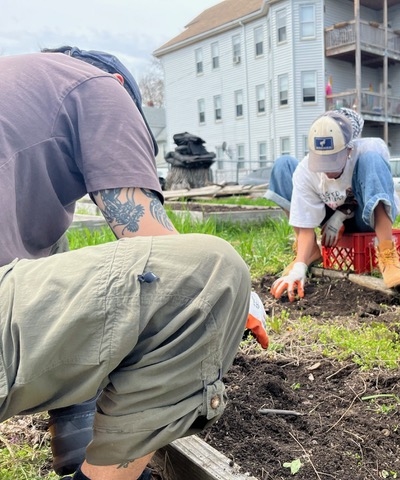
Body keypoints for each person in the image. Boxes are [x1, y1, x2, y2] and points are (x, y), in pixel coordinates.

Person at [0, 48, 267, 480]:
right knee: (211, 274)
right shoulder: (98, 88)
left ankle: (76, 442)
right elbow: (159, 251)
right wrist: (240, 302)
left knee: (65, 262)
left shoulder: (23, 82)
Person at [265, 108, 400, 302]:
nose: (327, 170)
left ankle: (387, 254)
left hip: (363, 217)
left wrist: (342, 214)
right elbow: (306, 224)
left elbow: (377, 192)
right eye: (322, 161)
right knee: (283, 165)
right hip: (328, 210)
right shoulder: (305, 170)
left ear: (349, 149)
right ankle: (309, 253)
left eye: (333, 160)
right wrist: (299, 267)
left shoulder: (369, 150)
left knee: (372, 160)